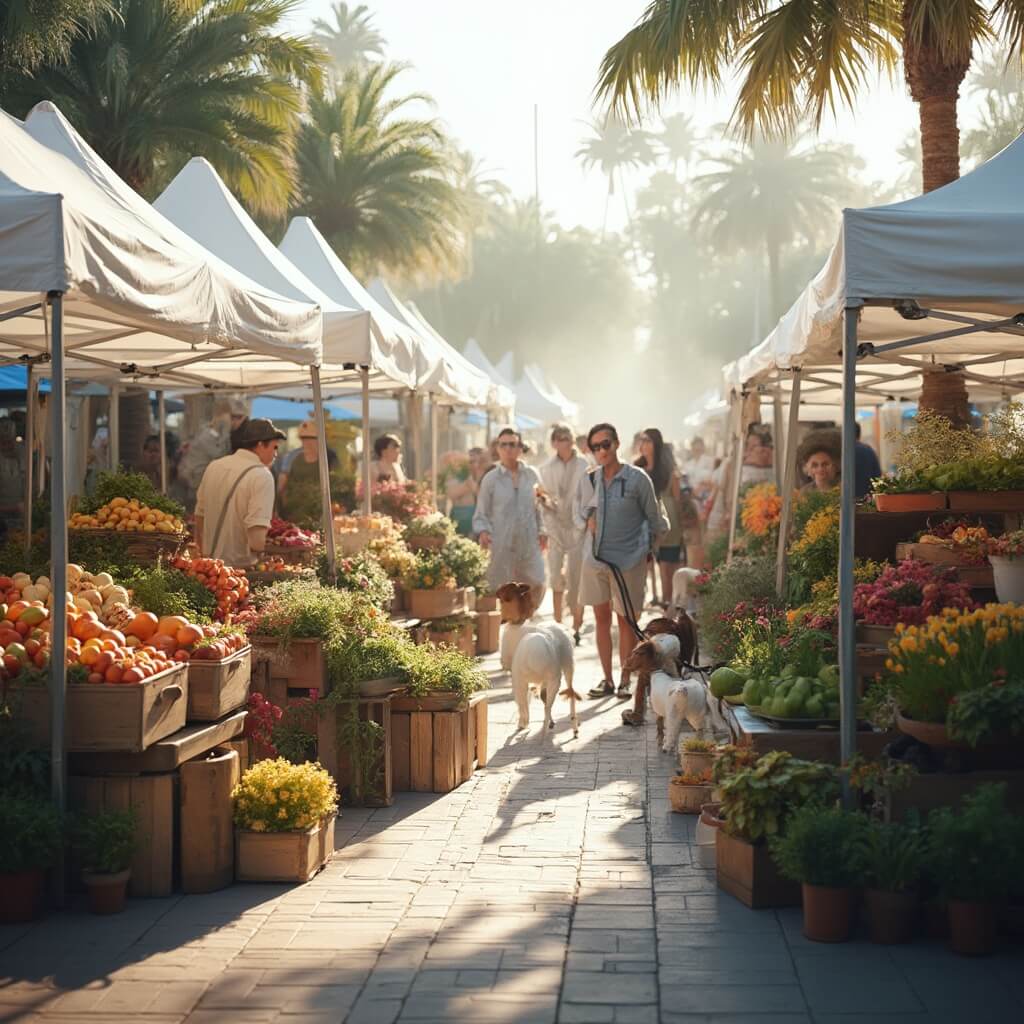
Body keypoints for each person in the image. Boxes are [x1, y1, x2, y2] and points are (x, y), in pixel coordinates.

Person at [576, 422, 666, 700]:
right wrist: (586, 520)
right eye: (595, 447)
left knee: (626, 620)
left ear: (616, 443)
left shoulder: (638, 479)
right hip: (595, 560)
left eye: (605, 444)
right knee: (600, 618)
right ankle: (607, 680)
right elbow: (578, 514)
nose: (601, 451)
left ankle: (626, 679)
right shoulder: (589, 479)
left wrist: (646, 551)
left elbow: (656, 521)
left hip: (628, 561)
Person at [194, 418, 284, 567]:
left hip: (208, 568)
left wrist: (205, 553)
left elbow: (199, 516)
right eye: (274, 447)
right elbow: (256, 539)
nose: (276, 454)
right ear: (261, 444)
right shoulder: (262, 475)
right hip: (239, 573)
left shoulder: (214, 466)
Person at [473, 427, 547, 606]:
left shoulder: (532, 475)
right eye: (503, 444)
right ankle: (503, 628)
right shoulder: (490, 479)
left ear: (520, 448)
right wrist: (483, 532)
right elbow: (481, 513)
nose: (507, 449)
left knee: (537, 583)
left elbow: (539, 507)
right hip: (501, 543)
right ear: (497, 449)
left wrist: (543, 530)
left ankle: (526, 619)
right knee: (499, 590)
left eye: (512, 444)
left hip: (528, 542)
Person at [538, 424, 589, 643]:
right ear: (553, 443)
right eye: (558, 438)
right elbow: (543, 495)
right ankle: (558, 626)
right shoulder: (546, 467)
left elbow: (590, 496)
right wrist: (545, 502)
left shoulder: (585, 465)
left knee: (577, 577)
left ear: (573, 440)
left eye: (566, 437)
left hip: (579, 527)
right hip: (555, 527)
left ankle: (577, 625)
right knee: (556, 576)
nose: (563, 442)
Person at [636, 428, 684, 610]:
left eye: (647, 440)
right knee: (642, 569)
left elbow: (678, 501)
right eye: (641, 440)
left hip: (669, 525)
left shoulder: (670, 471)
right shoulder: (636, 469)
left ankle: (668, 608)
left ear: (656, 443)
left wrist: (682, 532)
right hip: (643, 526)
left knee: (667, 568)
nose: (643, 444)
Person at [277, 420, 340, 522]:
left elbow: (336, 483)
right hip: (296, 510)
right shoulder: (292, 456)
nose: (307, 442)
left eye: (310, 439)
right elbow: (282, 484)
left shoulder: (329, 457)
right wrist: (284, 506)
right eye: (304, 439)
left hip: (322, 510)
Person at [178, 399, 235, 507]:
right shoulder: (207, 436)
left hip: (199, 481)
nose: (230, 421)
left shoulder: (209, 434)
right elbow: (220, 454)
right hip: (196, 482)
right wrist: (226, 432)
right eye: (229, 417)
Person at [446, 447, 488, 536]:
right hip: (459, 523)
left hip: (481, 528)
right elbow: (451, 494)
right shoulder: (459, 476)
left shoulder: (489, 477)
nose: (476, 465)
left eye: (480, 461)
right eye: (471, 461)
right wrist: (468, 484)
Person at [853, 422, 882, 499]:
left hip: (846, 500)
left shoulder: (842, 451)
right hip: (866, 498)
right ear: (859, 434)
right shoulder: (868, 450)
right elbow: (877, 476)